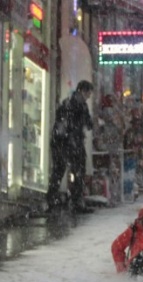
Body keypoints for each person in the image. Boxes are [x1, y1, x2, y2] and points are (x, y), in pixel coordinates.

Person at [46, 80, 94, 214]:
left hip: (61, 143)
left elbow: (62, 123)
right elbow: (88, 124)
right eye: (88, 93)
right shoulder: (79, 105)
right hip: (71, 143)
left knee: (59, 171)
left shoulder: (68, 103)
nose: (89, 96)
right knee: (78, 172)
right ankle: (76, 202)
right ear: (82, 91)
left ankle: (51, 200)